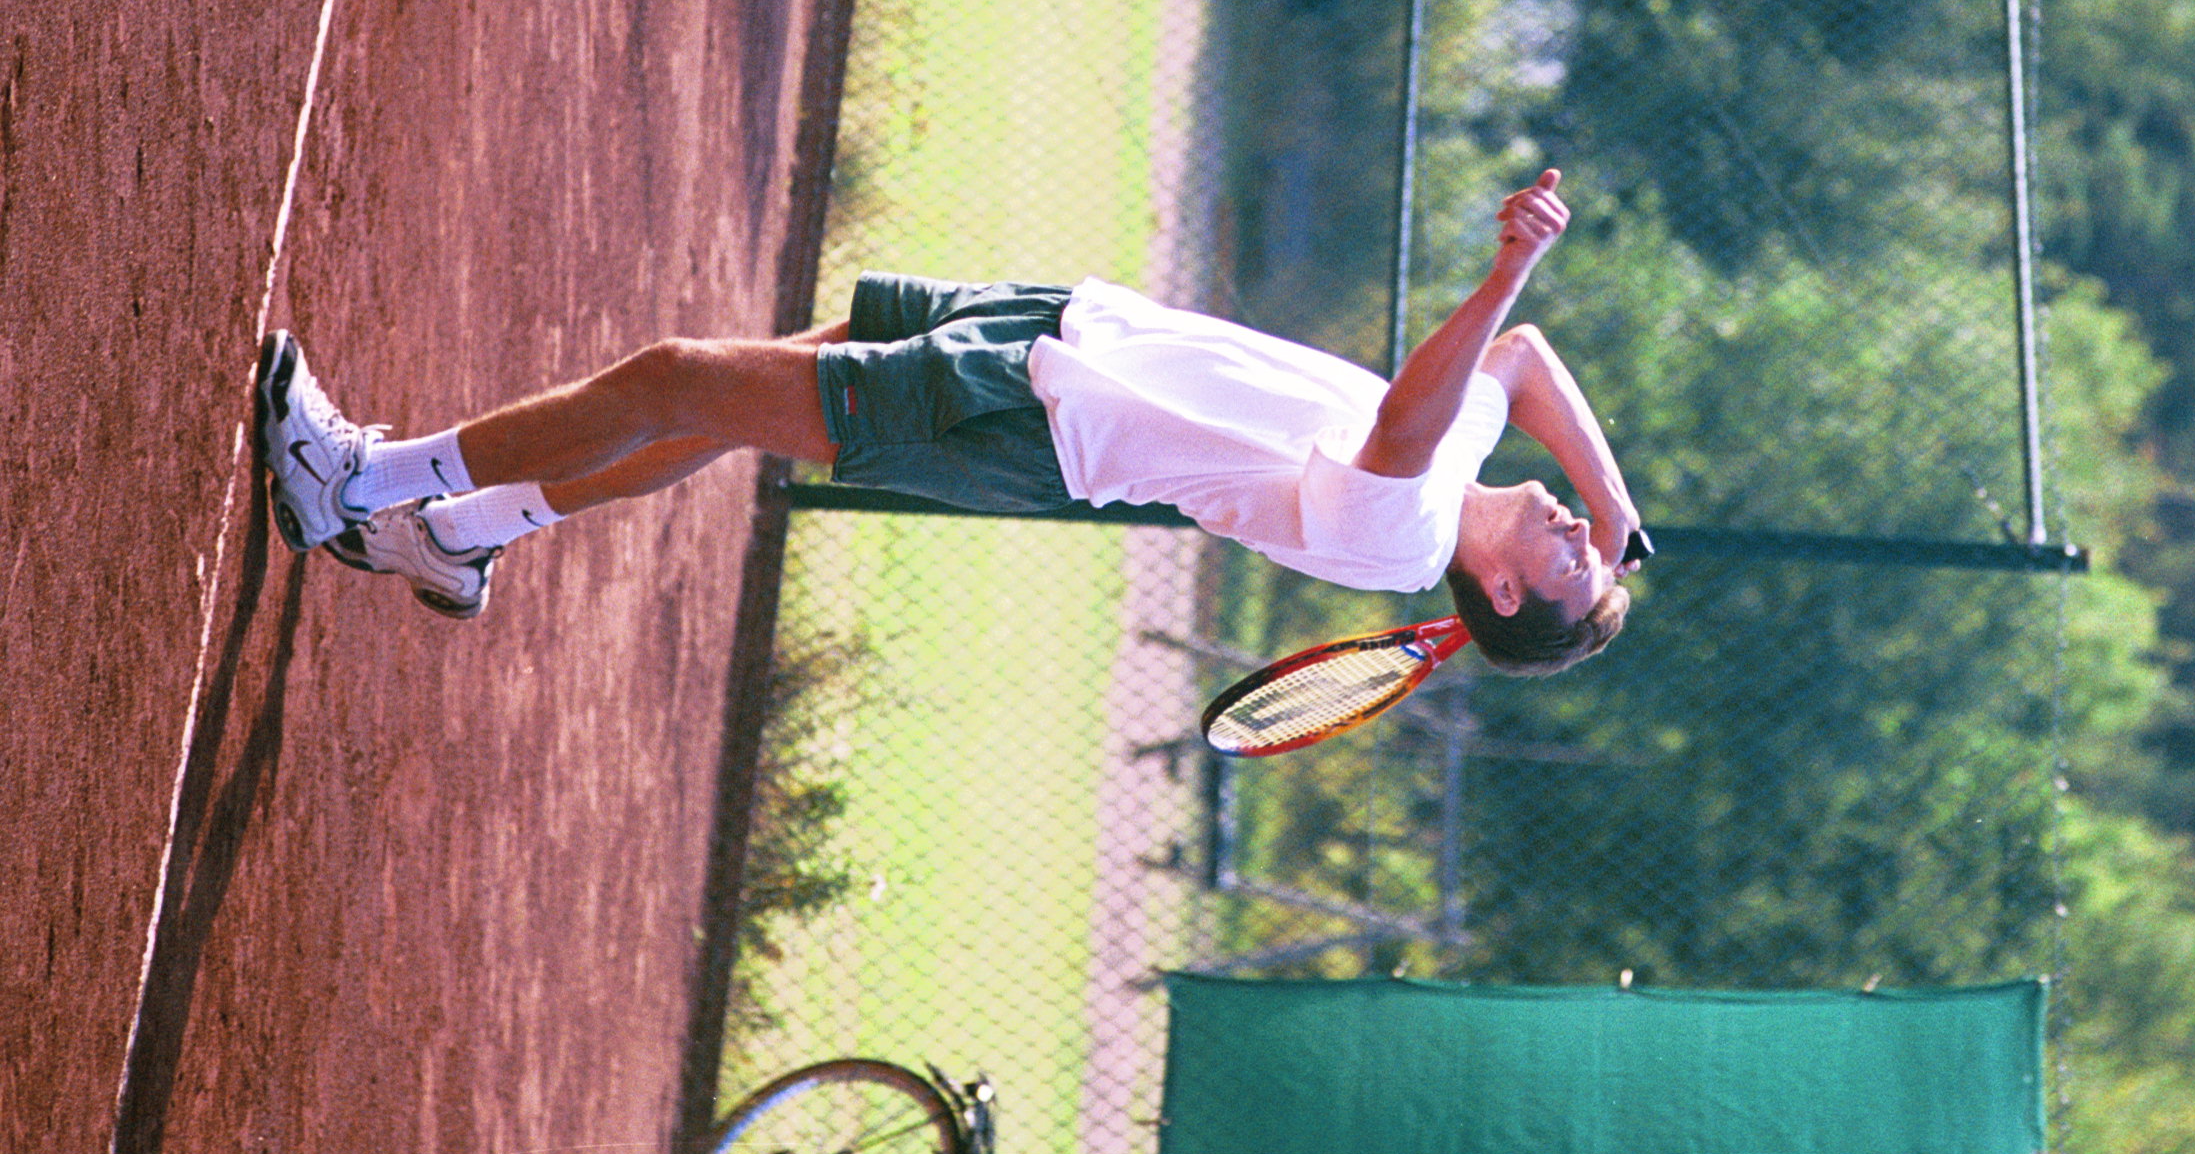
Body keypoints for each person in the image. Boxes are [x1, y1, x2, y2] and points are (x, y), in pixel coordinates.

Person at [254, 171, 1642, 673]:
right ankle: (465, 535)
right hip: (1053, 335)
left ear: (1502, 593)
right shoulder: (1479, 460)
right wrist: (1615, 495)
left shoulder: (1407, 539)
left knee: (683, 377)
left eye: (1574, 563)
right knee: (730, 402)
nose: (1579, 535)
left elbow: (1415, 413)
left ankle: (356, 481)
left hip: (1029, 425)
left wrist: (1506, 263)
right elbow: (1523, 365)